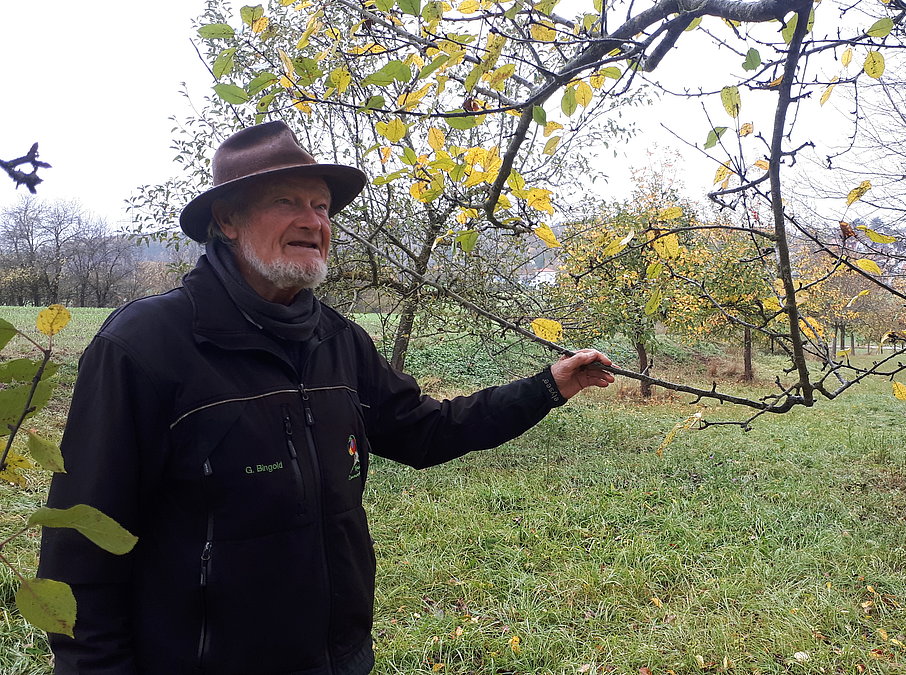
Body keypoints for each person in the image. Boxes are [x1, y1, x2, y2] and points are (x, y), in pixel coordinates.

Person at [38, 121, 614, 674]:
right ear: (227, 220)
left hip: (336, 659)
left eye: (321, 207)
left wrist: (547, 388)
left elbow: (427, 431)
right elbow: (81, 543)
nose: (313, 221)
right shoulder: (144, 347)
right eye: (287, 202)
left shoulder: (338, 341)